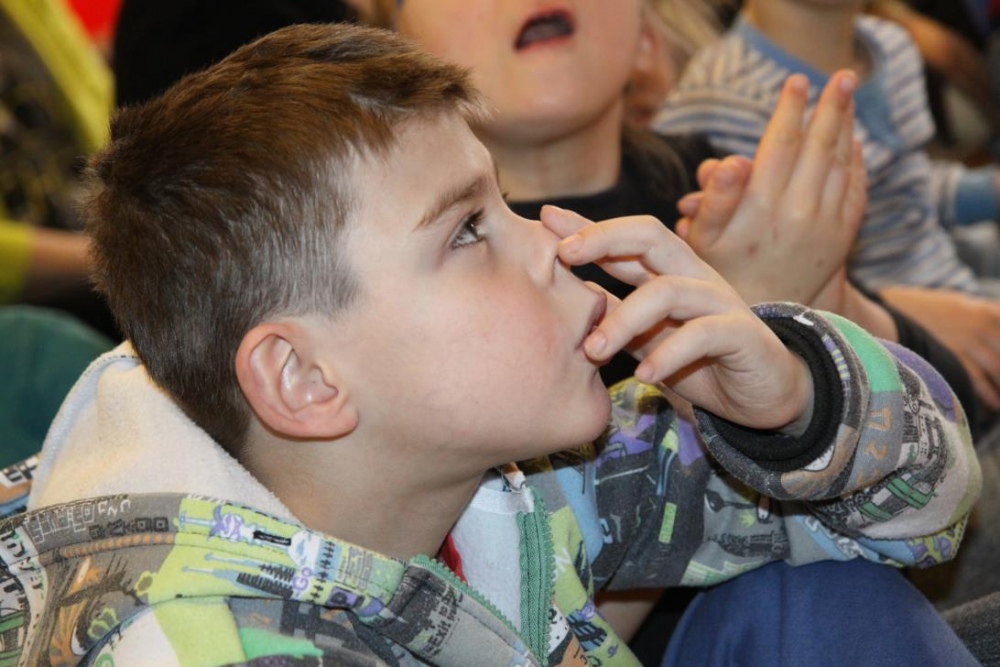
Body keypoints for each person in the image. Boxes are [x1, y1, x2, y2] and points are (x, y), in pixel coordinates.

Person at [0, 23, 982, 665]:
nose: (556, 243)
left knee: (826, 603)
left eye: (505, 202)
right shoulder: (187, 646)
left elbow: (924, 518)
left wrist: (795, 405)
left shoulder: (525, 474)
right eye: (468, 229)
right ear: (303, 378)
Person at [656, 0, 1000, 415]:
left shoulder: (892, 45)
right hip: (860, 355)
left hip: (952, 289)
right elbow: (767, 282)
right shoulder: (724, 98)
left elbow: (907, 192)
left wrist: (987, 191)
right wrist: (901, 316)